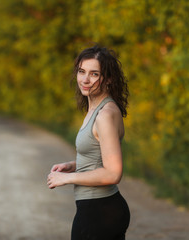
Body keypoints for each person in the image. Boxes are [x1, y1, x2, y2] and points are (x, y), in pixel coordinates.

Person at [47, 45, 130, 240]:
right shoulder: (98, 109)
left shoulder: (104, 115)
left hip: (99, 212)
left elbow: (113, 172)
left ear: (108, 78)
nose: (85, 79)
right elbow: (102, 158)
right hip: (100, 209)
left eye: (94, 74)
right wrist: (73, 165)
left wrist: (68, 178)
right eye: (82, 72)